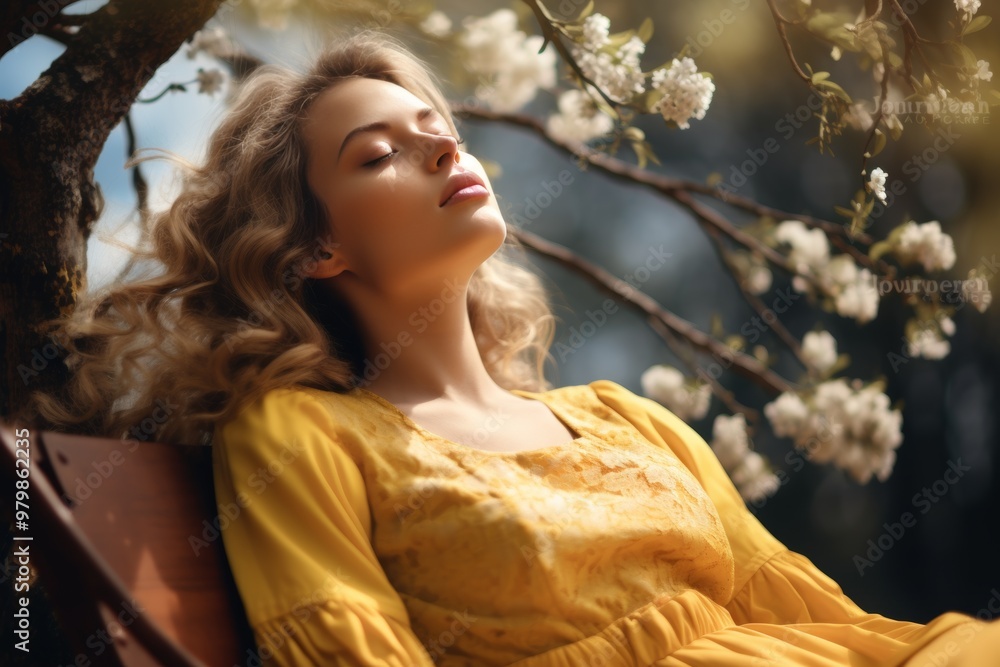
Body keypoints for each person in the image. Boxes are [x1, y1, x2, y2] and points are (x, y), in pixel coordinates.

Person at [30, 31, 999, 667]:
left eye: (438, 131)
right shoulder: (302, 433)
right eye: (378, 156)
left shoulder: (632, 420)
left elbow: (830, 624)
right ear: (315, 247)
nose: (445, 152)